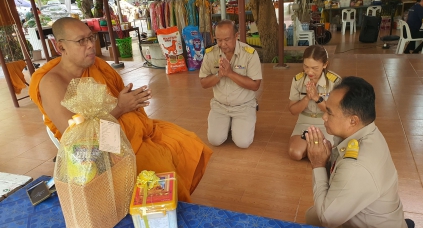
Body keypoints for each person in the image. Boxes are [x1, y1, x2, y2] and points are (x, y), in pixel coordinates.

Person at [28, 17, 212, 202]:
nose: (91, 45)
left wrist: (131, 101)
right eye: (81, 41)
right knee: (160, 168)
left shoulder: (98, 66)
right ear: (61, 48)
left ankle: (169, 206)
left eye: (91, 38)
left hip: (127, 131)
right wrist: (121, 106)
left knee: (186, 142)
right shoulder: (52, 83)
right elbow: (77, 138)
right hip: (102, 153)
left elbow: (114, 100)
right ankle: (159, 211)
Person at [304, 76, 413, 228]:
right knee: (312, 214)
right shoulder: (366, 131)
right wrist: (327, 160)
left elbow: (328, 219)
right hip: (377, 216)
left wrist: (318, 164)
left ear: (353, 120)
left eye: (330, 113)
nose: (324, 117)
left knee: (315, 219)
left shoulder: (358, 165)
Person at [199, 20, 262, 148]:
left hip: (243, 106)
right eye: (219, 40)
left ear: (236, 36)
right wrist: (219, 75)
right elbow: (204, 83)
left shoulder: (249, 54)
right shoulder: (211, 54)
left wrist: (230, 73)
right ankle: (228, 124)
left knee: (242, 143)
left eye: (227, 39)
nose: (222, 44)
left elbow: (255, 85)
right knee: (215, 140)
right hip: (220, 106)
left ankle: (245, 118)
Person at [288, 45, 341, 160]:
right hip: (304, 122)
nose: (309, 72)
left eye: (315, 68)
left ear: (325, 65)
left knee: (324, 156)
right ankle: (312, 144)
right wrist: (307, 97)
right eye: (306, 67)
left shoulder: (335, 82)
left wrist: (317, 98)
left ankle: (312, 145)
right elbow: (293, 110)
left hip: (326, 123)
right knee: (295, 153)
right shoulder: (298, 80)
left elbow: (336, 113)